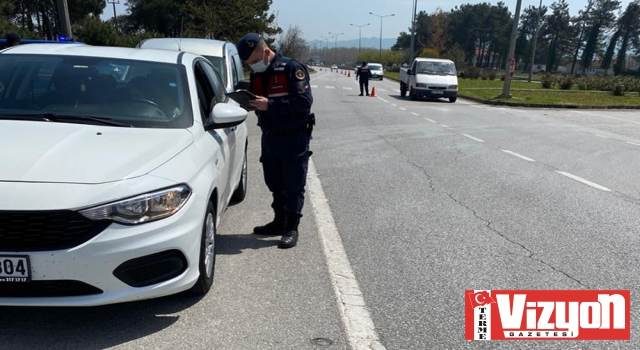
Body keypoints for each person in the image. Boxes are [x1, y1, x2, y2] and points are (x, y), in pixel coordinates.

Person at [236, 33, 314, 249]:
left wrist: (270, 105)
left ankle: (291, 228)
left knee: (293, 184)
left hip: (293, 136)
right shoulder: (257, 75)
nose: (251, 66)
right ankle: (279, 221)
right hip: (269, 136)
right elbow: (258, 101)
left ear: (265, 52)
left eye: (253, 61)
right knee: (274, 182)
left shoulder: (291, 68)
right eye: (248, 64)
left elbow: (304, 102)